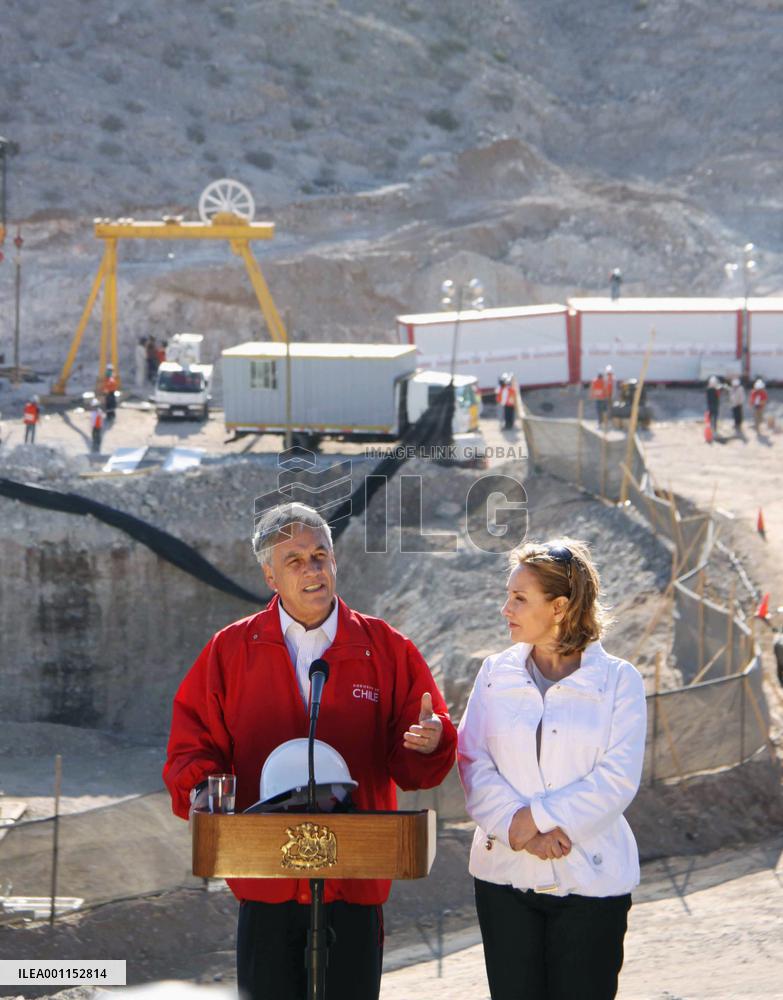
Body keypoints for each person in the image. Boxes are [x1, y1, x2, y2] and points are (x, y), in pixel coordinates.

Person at [163, 502, 457, 1000]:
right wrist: (200, 790)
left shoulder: (387, 648)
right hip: (267, 884)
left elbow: (420, 752)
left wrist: (431, 741)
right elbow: (193, 745)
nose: (313, 569)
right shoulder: (230, 650)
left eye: (320, 555)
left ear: (335, 561)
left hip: (354, 881)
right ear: (270, 577)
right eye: (295, 561)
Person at [457, 538, 646, 1000]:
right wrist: (518, 830)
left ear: (560, 607)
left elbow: (616, 779)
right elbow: (472, 761)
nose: (506, 609)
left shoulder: (619, 681)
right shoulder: (493, 673)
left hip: (592, 883)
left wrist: (534, 819)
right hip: (503, 880)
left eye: (520, 598)